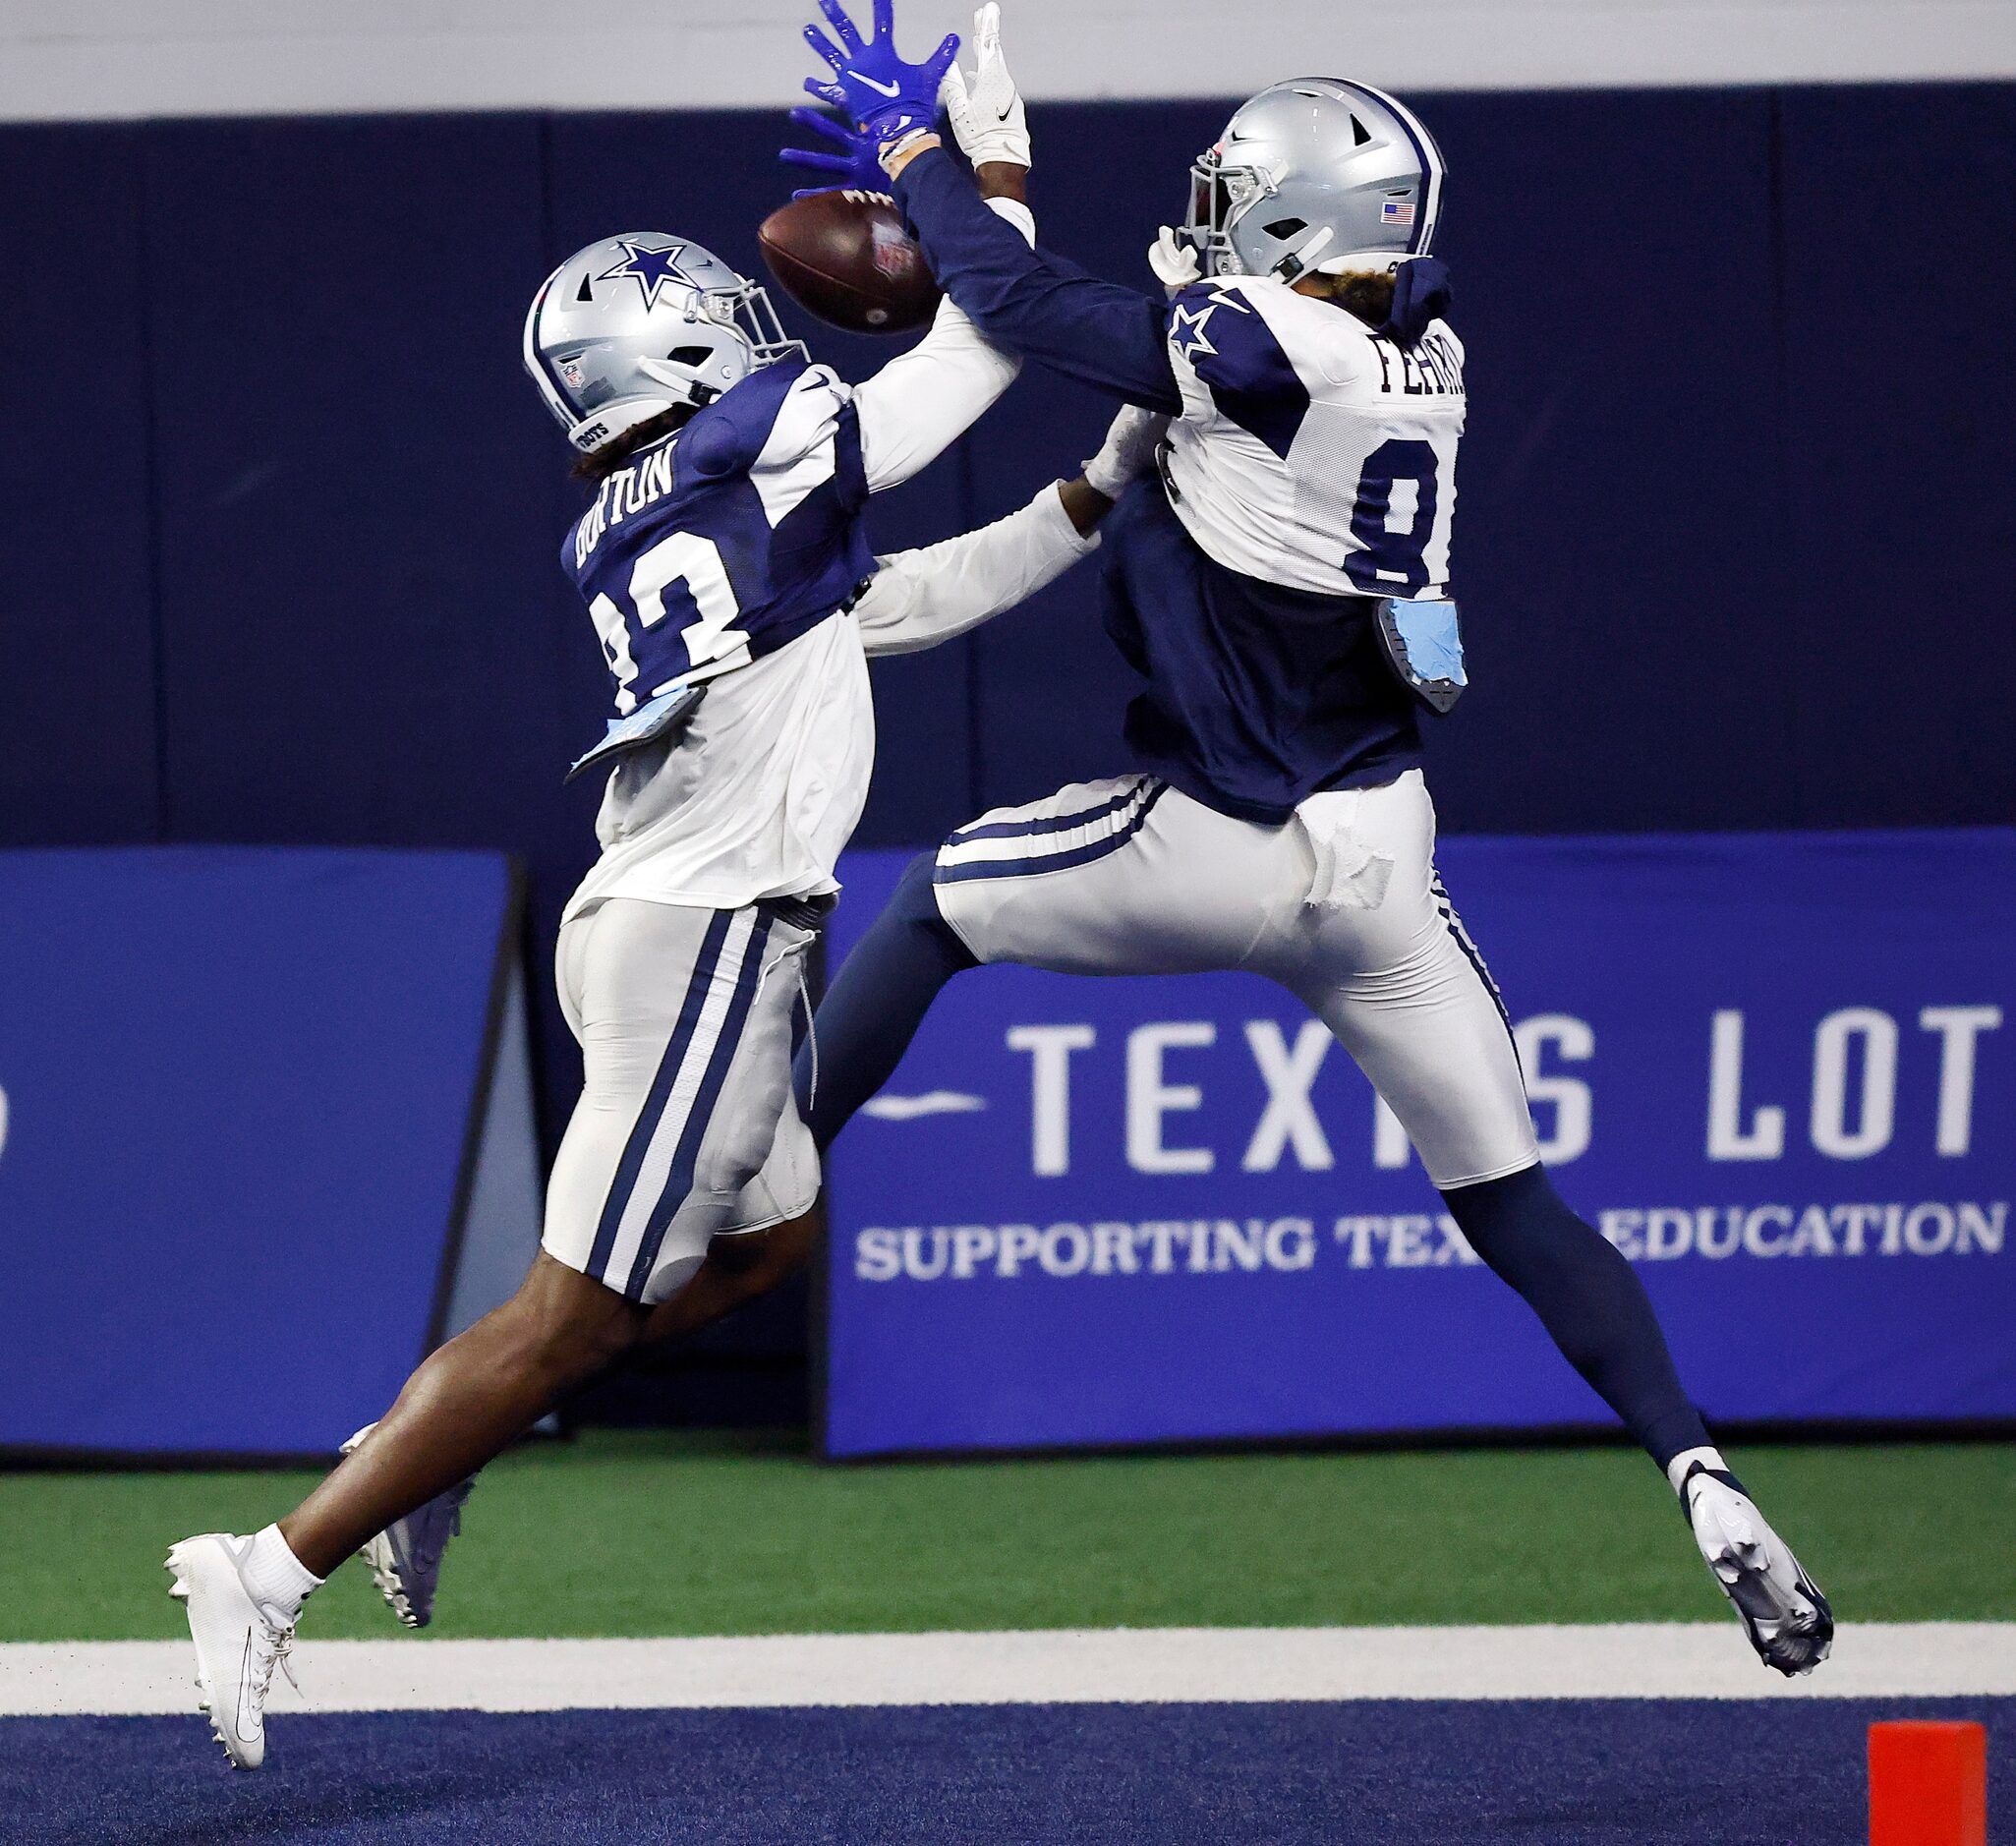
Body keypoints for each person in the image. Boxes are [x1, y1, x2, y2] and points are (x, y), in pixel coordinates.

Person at [781, 4, 1834, 1674]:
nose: (1207, 218)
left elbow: (1028, 305)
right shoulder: (1422, 345)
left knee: (930, 909)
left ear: (1299, 227)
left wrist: (924, 162)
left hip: (1230, 828)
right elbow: (1143, 433)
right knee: (1516, 1202)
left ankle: (773, 1153)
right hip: (1388, 865)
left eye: (1235, 197)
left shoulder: (1282, 345)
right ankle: (1698, 1471)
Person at [163, 78, 1159, 1762]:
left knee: (770, 1243)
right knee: (569, 1312)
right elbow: (974, 358)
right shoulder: (747, 448)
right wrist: (993, 172)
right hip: (705, 941)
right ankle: (266, 1564)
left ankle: (426, 1440)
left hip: (691, 930)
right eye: (715, 321)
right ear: (670, 358)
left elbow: (897, 604)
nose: (756, 330)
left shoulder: (662, 506)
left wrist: (1093, 492)